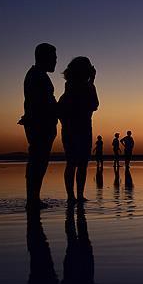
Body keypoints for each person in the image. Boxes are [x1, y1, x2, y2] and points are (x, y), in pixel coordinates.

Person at [20, 43, 58, 209]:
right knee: (38, 161)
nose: (56, 61)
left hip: (40, 124)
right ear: (45, 58)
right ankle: (33, 200)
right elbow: (40, 103)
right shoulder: (37, 76)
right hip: (40, 125)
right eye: (54, 57)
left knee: (39, 161)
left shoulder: (37, 74)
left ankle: (34, 198)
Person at [57, 56, 99, 204]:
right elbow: (94, 105)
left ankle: (74, 196)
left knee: (74, 163)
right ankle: (75, 196)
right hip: (80, 129)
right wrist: (92, 81)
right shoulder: (80, 87)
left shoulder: (71, 87)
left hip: (74, 129)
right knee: (79, 163)